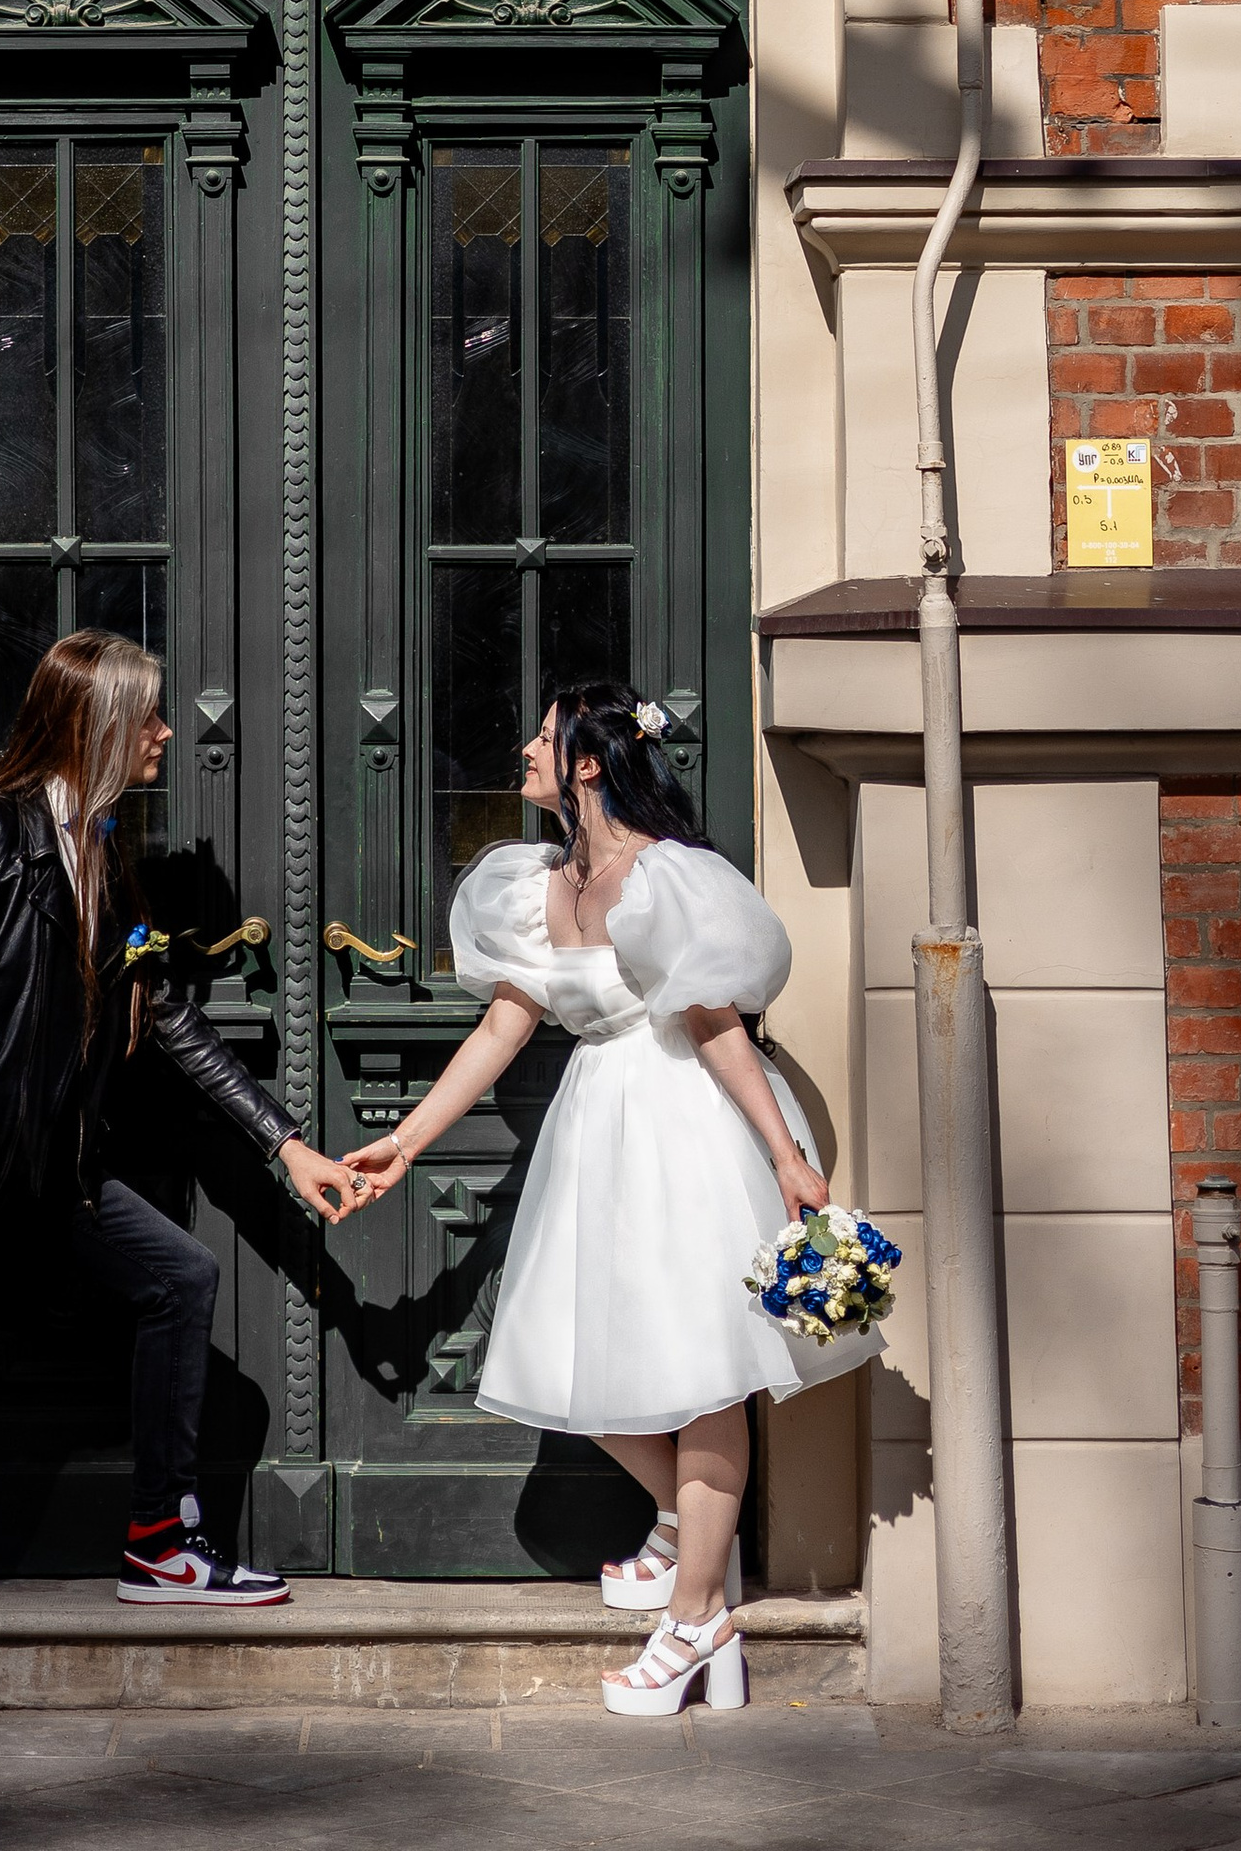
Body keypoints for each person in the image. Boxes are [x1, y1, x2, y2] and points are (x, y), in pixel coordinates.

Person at [0, 629, 361, 1748]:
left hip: (52, 1172)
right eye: (147, 716)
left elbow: (171, 1016)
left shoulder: (101, 851)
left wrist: (283, 1142)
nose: (164, 734)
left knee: (178, 1276)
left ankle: (159, 1538)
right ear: (95, 722)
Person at [345, 678, 876, 1720]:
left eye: (543, 738)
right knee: (581, 1356)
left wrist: (783, 1159)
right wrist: (405, 1142)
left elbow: (718, 1028)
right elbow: (502, 1030)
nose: (525, 751)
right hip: (595, 1136)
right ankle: (687, 1533)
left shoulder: (667, 876)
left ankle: (692, 1626)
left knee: (710, 1370)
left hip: (686, 1124)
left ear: (589, 761)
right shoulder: (536, 884)